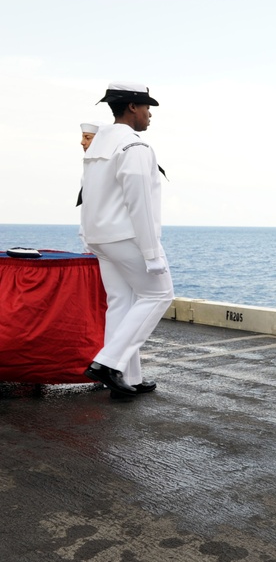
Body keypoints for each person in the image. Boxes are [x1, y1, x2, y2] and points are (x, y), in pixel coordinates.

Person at [81, 83, 174, 401]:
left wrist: (87, 236)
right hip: (127, 236)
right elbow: (140, 204)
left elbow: (89, 193)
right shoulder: (134, 147)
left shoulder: (97, 145)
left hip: (100, 236)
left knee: (123, 301)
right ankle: (108, 364)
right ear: (133, 107)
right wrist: (151, 252)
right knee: (159, 295)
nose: (150, 114)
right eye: (147, 107)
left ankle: (127, 378)